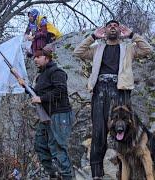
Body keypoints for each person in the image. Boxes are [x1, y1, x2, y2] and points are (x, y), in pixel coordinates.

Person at [73, 20, 153, 179]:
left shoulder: (128, 48)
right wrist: (93, 36)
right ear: (105, 31)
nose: (113, 27)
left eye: (116, 26)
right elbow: (78, 52)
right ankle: (97, 175)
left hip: (120, 91)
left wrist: (131, 35)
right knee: (98, 133)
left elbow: (148, 49)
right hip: (100, 92)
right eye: (109, 26)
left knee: (125, 130)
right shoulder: (97, 49)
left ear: (120, 31)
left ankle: (124, 173)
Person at [21, 46, 74, 179]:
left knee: (58, 148)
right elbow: (37, 94)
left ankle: (67, 177)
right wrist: (25, 87)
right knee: (40, 145)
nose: (35, 60)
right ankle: (53, 175)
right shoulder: (40, 77)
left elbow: (60, 90)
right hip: (47, 117)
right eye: (34, 57)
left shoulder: (57, 72)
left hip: (59, 114)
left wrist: (41, 98)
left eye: (38, 57)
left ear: (47, 57)